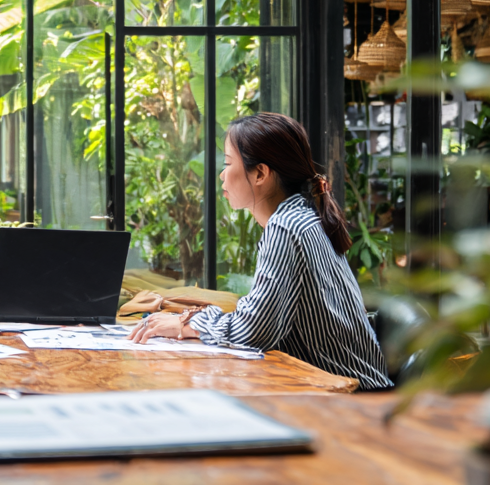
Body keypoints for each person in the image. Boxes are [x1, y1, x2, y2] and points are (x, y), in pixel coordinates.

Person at [129, 112, 392, 390]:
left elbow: (254, 330)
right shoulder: (304, 217)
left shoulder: (286, 226)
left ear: (260, 174)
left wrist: (183, 325)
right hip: (352, 389)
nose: (221, 174)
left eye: (228, 163)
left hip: (351, 399)